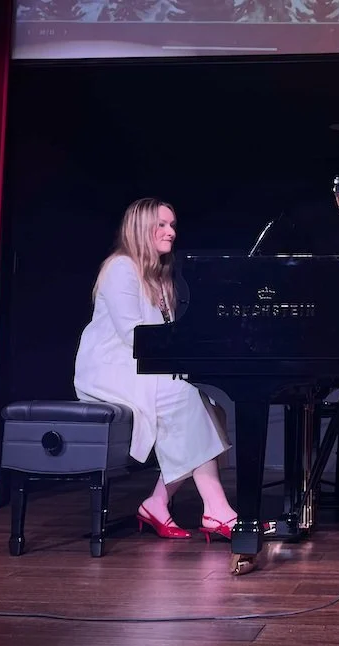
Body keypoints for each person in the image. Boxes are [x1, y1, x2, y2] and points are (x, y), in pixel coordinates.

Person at [74, 197, 237, 542]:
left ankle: (157, 504)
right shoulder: (120, 268)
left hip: (141, 366)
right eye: (161, 225)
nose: (171, 232)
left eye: (173, 225)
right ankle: (217, 510)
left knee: (210, 408)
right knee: (185, 398)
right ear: (140, 229)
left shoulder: (160, 277)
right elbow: (134, 336)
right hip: (109, 370)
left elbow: (167, 335)